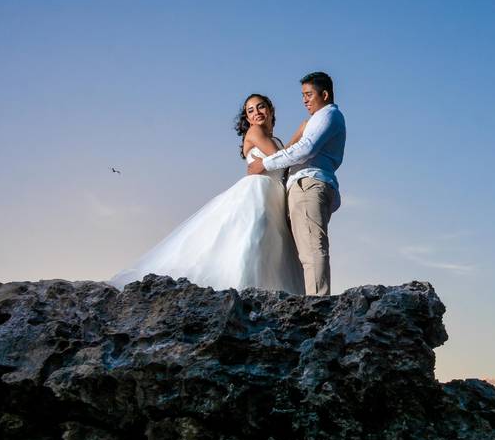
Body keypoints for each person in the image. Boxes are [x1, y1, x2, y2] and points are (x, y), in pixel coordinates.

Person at [109, 94, 305, 294]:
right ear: (247, 119)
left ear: (271, 109)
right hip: (258, 192)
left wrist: (295, 138)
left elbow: (281, 156)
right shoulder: (255, 132)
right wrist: (299, 135)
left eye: (261, 107)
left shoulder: (275, 140)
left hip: (274, 195)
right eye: (250, 111)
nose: (256, 113)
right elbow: (279, 157)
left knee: (271, 246)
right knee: (253, 239)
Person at [248, 71, 345, 296]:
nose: (305, 100)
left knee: (312, 249)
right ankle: (314, 300)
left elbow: (305, 149)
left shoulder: (327, 115)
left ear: (325, 94)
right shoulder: (319, 119)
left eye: (309, 94)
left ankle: (318, 305)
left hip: (309, 184)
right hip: (305, 186)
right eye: (303, 95)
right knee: (306, 251)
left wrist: (266, 163)